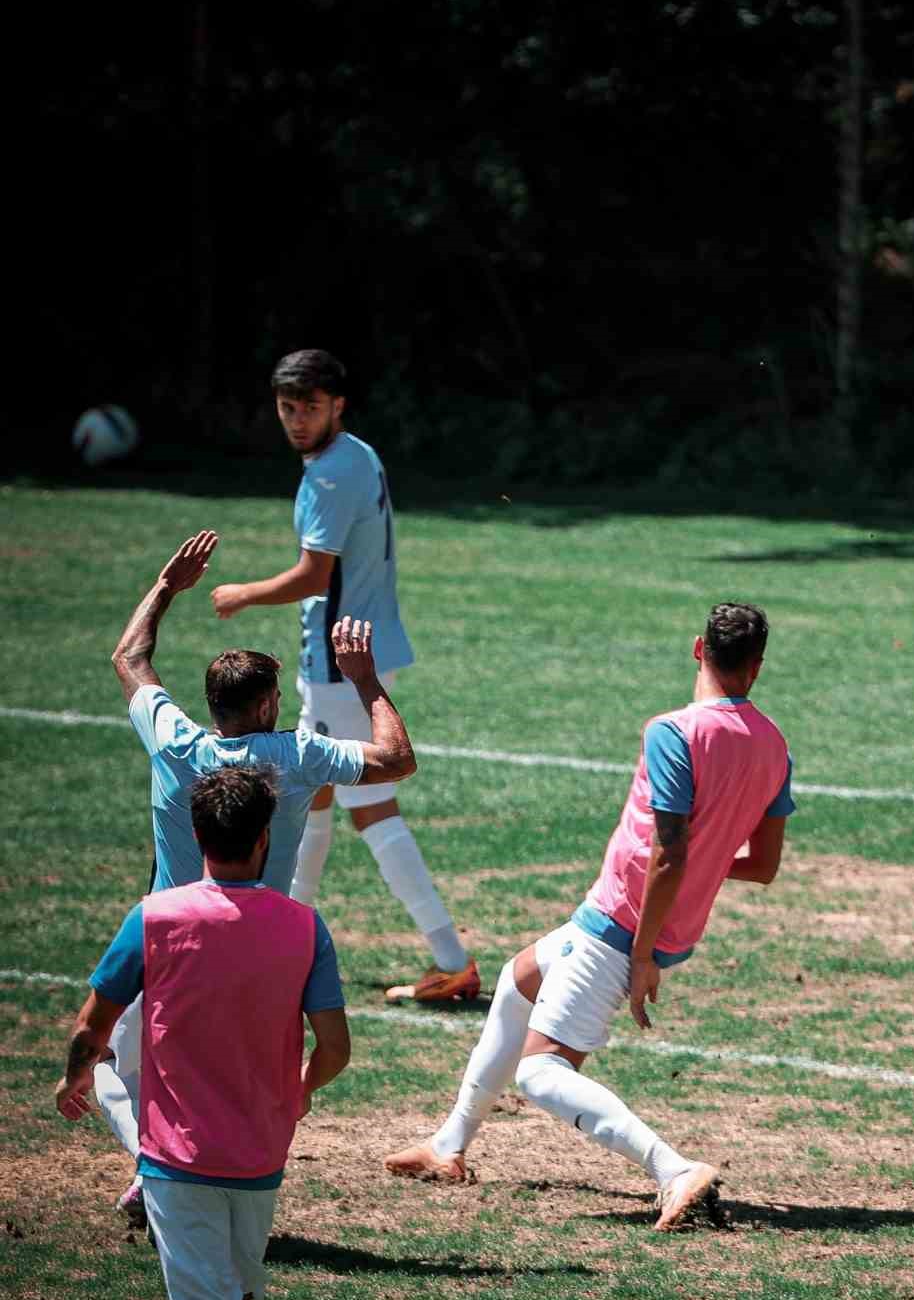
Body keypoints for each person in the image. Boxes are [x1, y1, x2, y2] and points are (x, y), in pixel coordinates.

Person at [384, 602, 796, 1228]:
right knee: (518, 979)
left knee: (542, 1074)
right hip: (637, 924)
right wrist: (704, 865)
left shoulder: (674, 731)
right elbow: (761, 864)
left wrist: (640, 955)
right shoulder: (774, 747)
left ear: (697, 649)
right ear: (758, 666)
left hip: (622, 927)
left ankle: (675, 1170)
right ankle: (448, 1146)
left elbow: (668, 856)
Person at [55, 767, 352, 1300]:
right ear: (263, 841)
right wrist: (295, 1091)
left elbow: (94, 1024)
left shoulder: (154, 917)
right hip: (261, 1155)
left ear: (198, 840)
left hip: (179, 1161)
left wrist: (76, 1073)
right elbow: (336, 1049)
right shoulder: (302, 925)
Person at [96, 533, 413, 1231]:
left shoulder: (176, 740)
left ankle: (156, 1167)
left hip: (174, 939)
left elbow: (129, 657)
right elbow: (396, 759)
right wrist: (362, 679)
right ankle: (192, 1176)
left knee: (107, 1069)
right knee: (245, 1075)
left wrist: (165, 585)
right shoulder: (297, 753)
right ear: (269, 704)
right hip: (267, 946)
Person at [208, 347, 477, 1006]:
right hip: (350, 652)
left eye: (310, 407)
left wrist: (242, 592)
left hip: (339, 662)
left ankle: (445, 959)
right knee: (320, 798)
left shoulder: (329, 475)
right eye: (287, 408)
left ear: (338, 404)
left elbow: (313, 575)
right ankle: (292, 945)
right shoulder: (357, 453)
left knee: (351, 801)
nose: (298, 420)